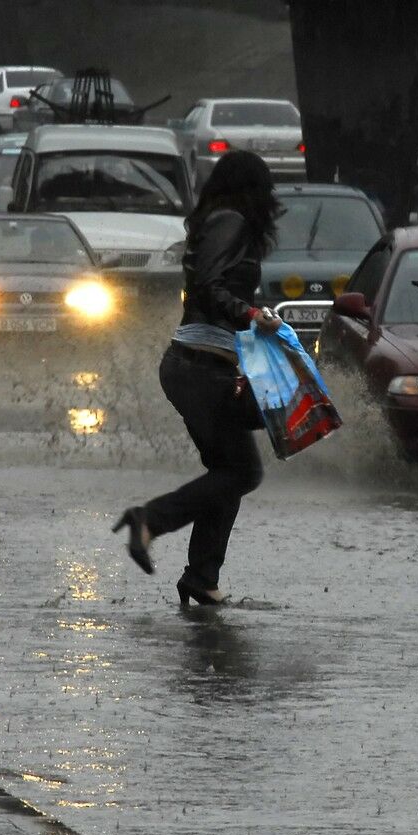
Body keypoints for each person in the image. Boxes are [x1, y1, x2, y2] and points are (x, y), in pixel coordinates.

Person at [112, 150, 283, 606]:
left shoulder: (217, 220)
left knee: (230, 471)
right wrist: (250, 313)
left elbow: (212, 286)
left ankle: (202, 578)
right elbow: (209, 286)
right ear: (252, 189)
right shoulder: (231, 221)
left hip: (202, 364)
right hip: (197, 366)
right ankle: (149, 521)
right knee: (241, 470)